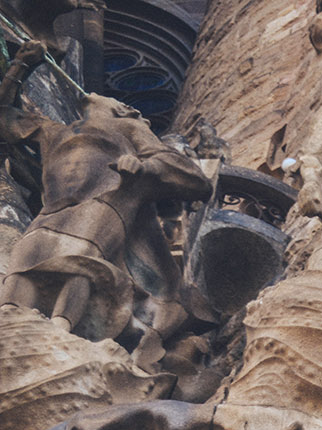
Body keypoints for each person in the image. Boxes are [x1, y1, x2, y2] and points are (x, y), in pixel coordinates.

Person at [0, 93, 211, 341]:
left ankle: (60, 329)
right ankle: (8, 319)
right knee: (27, 259)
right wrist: (26, 63)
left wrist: (144, 166)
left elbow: (194, 178)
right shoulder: (55, 130)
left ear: (124, 109)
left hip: (109, 201)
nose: (92, 94)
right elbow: (6, 119)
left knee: (81, 262)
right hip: (55, 208)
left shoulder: (128, 125)